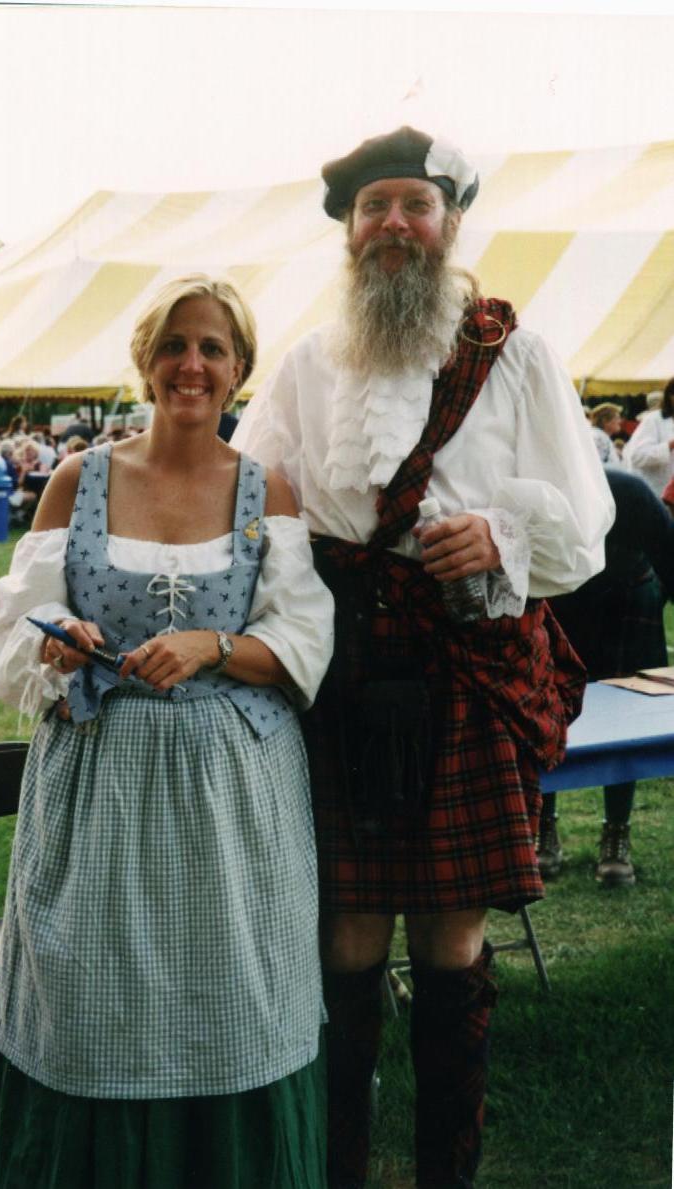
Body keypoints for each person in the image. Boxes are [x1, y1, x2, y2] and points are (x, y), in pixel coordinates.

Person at [233, 126, 614, 1189]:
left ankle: (448, 1166)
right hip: (350, 665)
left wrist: (499, 533)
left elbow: (582, 525)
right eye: (372, 209)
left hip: (465, 663)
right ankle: (338, 1165)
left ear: (449, 224)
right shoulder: (308, 365)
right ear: (347, 233)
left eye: (413, 205)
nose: (391, 225)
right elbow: (248, 502)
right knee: (346, 933)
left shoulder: (515, 356)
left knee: (449, 939)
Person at [0, 274, 334, 1189]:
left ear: (239, 369)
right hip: (101, 778)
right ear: (145, 361)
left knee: (231, 987)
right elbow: (16, 623)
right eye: (175, 344)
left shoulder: (267, 491)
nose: (192, 364)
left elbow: (301, 641)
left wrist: (215, 643)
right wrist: (57, 646)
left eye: (214, 348)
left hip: (233, 787)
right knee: (95, 996)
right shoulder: (78, 478)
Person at [538, 467, 674, 887]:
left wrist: (652, 605)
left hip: (628, 607)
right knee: (547, 714)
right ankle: (543, 829)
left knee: (626, 722)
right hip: (561, 606)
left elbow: (671, 561)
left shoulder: (631, 493)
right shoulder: (545, 490)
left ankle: (617, 834)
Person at [624, 377, 674, 496]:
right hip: (657, 495)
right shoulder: (654, 420)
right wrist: (669, 446)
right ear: (670, 396)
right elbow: (636, 456)